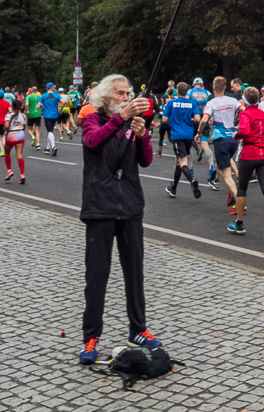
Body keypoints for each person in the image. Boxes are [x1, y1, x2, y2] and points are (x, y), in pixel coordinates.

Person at [78, 74, 160, 364]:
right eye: (121, 93)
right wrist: (121, 119)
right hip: (100, 207)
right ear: (105, 97)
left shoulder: (130, 123)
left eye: (128, 93)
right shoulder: (93, 118)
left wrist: (142, 135)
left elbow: (146, 160)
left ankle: (138, 329)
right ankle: (91, 336)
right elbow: (93, 141)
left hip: (130, 206)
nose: (127, 97)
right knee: (97, 276)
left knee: (134, 272)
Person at [229, 87, 264, 240]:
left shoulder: (245, 114)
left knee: (242, 187)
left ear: (245, 100)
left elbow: (245, 131)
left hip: (249, 153)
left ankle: (239, 223)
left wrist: (236, 135)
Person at [201, 77, 241, 207]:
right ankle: (231, 195)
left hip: (221, 140)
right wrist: (237, 119)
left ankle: (239, 200)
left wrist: (199, 131)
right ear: (225, 87)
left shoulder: (211, 103)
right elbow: (243, 110)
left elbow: (204, 120)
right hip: (233, 139)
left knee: (227, 175)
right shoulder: (233, 100)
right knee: (224, 164)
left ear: (213, 88)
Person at [164, 85, 203, 199]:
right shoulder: (192, 103)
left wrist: (173, 118)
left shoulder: (171, 103)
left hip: (177, 135)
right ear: (187, 92)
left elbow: (164, 119)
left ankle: (192, 181)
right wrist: (189, 119)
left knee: (182, 162)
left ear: (177, 90)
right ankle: (173, 189)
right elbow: (197, 119)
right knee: (178, 163)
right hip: (188, 135)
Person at [2, 93, 26, 183]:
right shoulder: (23, 115)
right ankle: (22, 174)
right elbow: (24, 127)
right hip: (20, 134)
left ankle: (9, 170)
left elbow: (7, 126)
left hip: (11, 135)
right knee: (19, 155)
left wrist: (4, 128)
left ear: (12, 106)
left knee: (7, 153)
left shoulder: (8, 115)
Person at [39, 83, 60, 156]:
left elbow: (37, 106)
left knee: (50, 131)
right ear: (51, 88)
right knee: (50, 131)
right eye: (53, 87)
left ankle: (53, 147)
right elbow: (63, 102)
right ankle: (47, 148)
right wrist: (61, 109)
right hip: (55, 115)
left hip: (47, 115)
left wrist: (41, 105)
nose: (54, 88)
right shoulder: (57, 95)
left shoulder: (43, 96)